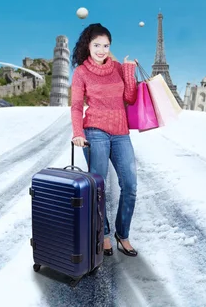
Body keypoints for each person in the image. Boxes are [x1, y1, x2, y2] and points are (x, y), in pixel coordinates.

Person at [70, 23, 139, 257]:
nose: (101, 50)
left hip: (121, 132)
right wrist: (78, 133)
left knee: (129, 185)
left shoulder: (118, 68)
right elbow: (77, 106)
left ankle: (123, 234)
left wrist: (129, 71)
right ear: (87, 46)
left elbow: (129, 97)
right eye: (96, 45)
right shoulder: (81, 73)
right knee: (98, 188)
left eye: (106, 45)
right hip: (95, 131)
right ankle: (104, 233)